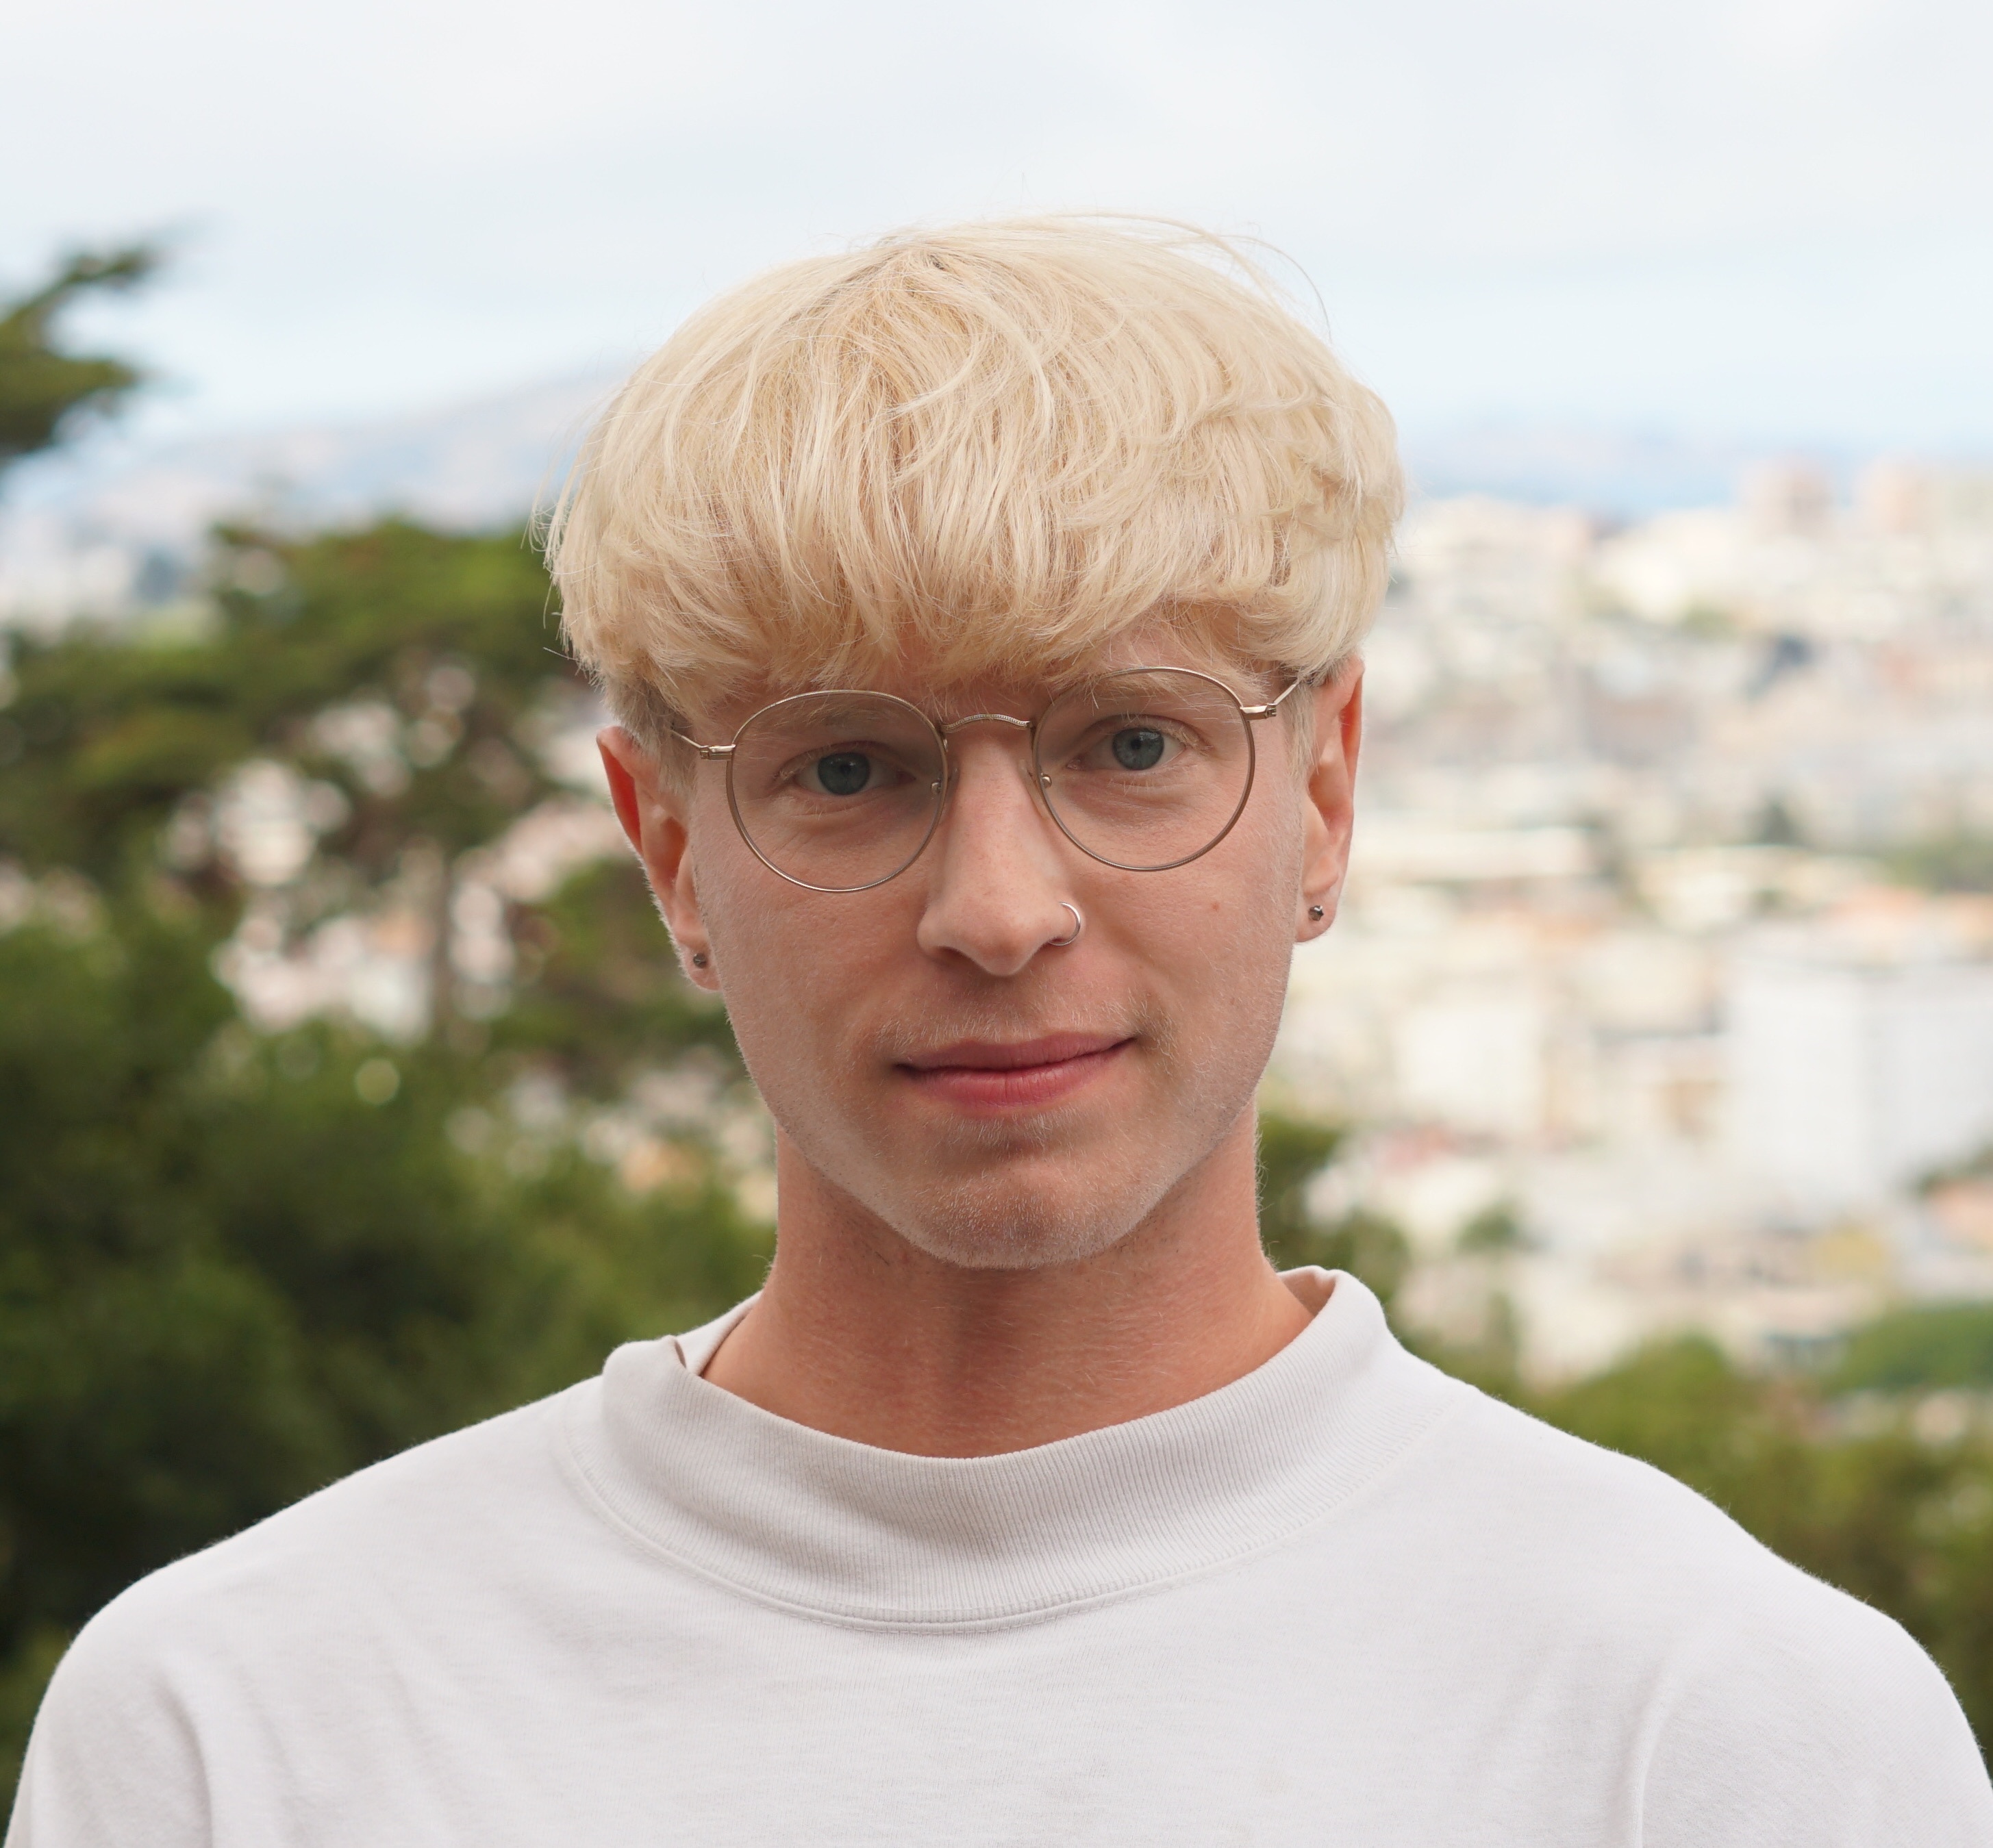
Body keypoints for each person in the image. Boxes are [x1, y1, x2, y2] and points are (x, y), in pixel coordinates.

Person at [12, 218, 1991, 1847]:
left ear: (1325, 792)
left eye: (1130, 747)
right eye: (851, 767)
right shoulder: (239, 1731)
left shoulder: (1727, 1731)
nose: (997, 909)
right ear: (672, 846)